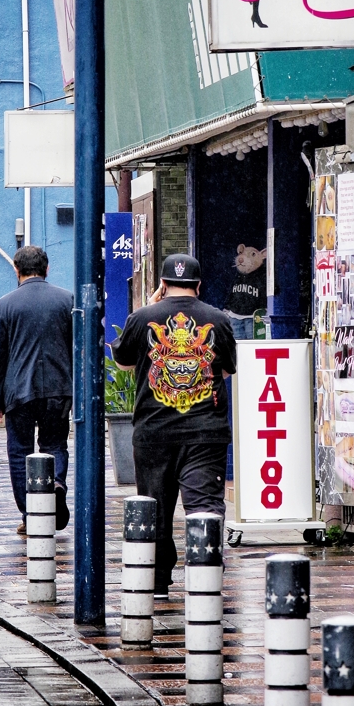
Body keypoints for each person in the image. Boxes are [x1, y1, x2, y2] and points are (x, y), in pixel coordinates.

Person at [111, 253, 236, 598]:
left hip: (154, 431)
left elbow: (123, 363)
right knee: (205, 506)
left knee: (155, 507)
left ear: (162, 285)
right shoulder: (218, 319)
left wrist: (149, 309)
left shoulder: (143, 317)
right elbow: (224, 370)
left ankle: (159, 580)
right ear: (199, 285)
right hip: (204, 432)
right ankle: (205, 576)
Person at [0, 245, 73, 536]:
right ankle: (56, 482)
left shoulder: (4, 305)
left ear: (16, 270)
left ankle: (30, 513)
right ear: (46, 269)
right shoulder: (66, 301)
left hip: (18, 391)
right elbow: (78, 348)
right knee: (55, 444)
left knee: (20, 451)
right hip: (59, 389)